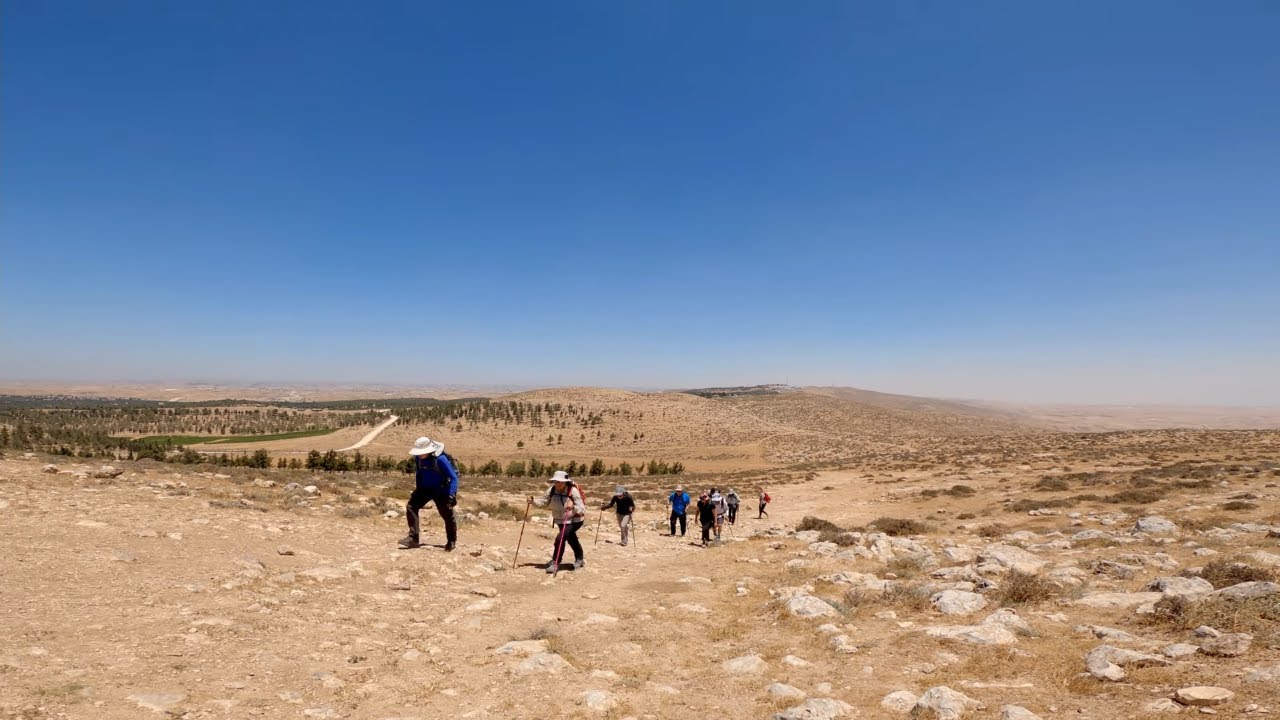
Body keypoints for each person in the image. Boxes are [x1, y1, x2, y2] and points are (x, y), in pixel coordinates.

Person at [398, 437, 458, 551]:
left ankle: (451, 541)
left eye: (422, 452)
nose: (420, 455)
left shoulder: (440, 459)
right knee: (411, 507)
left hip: (441, 490)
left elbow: (453, 477)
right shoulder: (418, 459)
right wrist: (418, 489)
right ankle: (413, 538)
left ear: (429, 450)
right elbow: (419, 474)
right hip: (425, 489)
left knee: (447, 516)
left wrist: (452, 495)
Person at [532, 470, 587, 572]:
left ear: (565, 482)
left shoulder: (573, 491)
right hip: (561, 520)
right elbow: (544, 502)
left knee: (559, 539)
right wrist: (533, 502)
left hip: (575, 520)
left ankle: (555, 562)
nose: (557, 484)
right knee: (571, 539)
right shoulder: (552, 490)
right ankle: (580, 559)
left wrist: (573, 506)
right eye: (555, 481)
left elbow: (582, 509)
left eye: (559, 482)